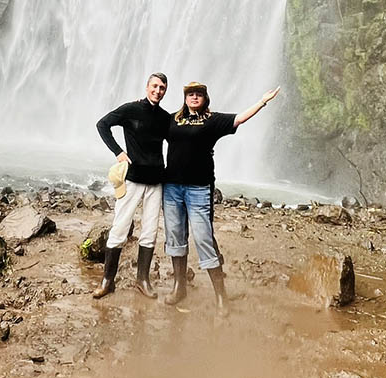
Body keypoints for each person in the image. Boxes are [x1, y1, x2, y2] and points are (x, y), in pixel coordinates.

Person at [164, 81, 280, 315]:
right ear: (185, 98)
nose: (194, 97)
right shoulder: (172, 119)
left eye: (198, 94)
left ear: (205, 98)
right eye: (190, 94)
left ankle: (221, 295)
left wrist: (262, 101)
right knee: (175, 235)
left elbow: (239, 118)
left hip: (199, 188)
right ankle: (179, 287)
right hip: (172, 187)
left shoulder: (213, 120)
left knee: (204, 237)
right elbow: (147, 122)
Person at [94, 72, 169, 299]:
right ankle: (108, 281)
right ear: (146, 87)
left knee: (150, 232)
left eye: (162, 88)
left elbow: (182, 136)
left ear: (165, 91)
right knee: (119, 228)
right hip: (133, 180)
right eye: (154, 86)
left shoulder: (165, 118)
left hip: (156, 182)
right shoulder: (131, 109)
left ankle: (142, 280)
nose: (158, 91)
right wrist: (118, 152)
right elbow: (102, 124)